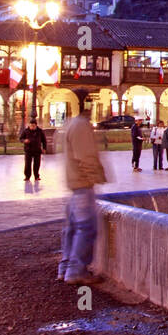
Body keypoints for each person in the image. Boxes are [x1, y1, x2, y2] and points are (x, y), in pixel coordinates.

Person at [58, 108, 109, 285]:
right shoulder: (81, 126)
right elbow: (86, 157)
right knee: (86, 228)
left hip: (74, 184)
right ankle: (77, 271)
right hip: (82, 184)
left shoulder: (72, 124)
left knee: (72, 228)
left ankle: (65, 268)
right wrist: (95, 177)